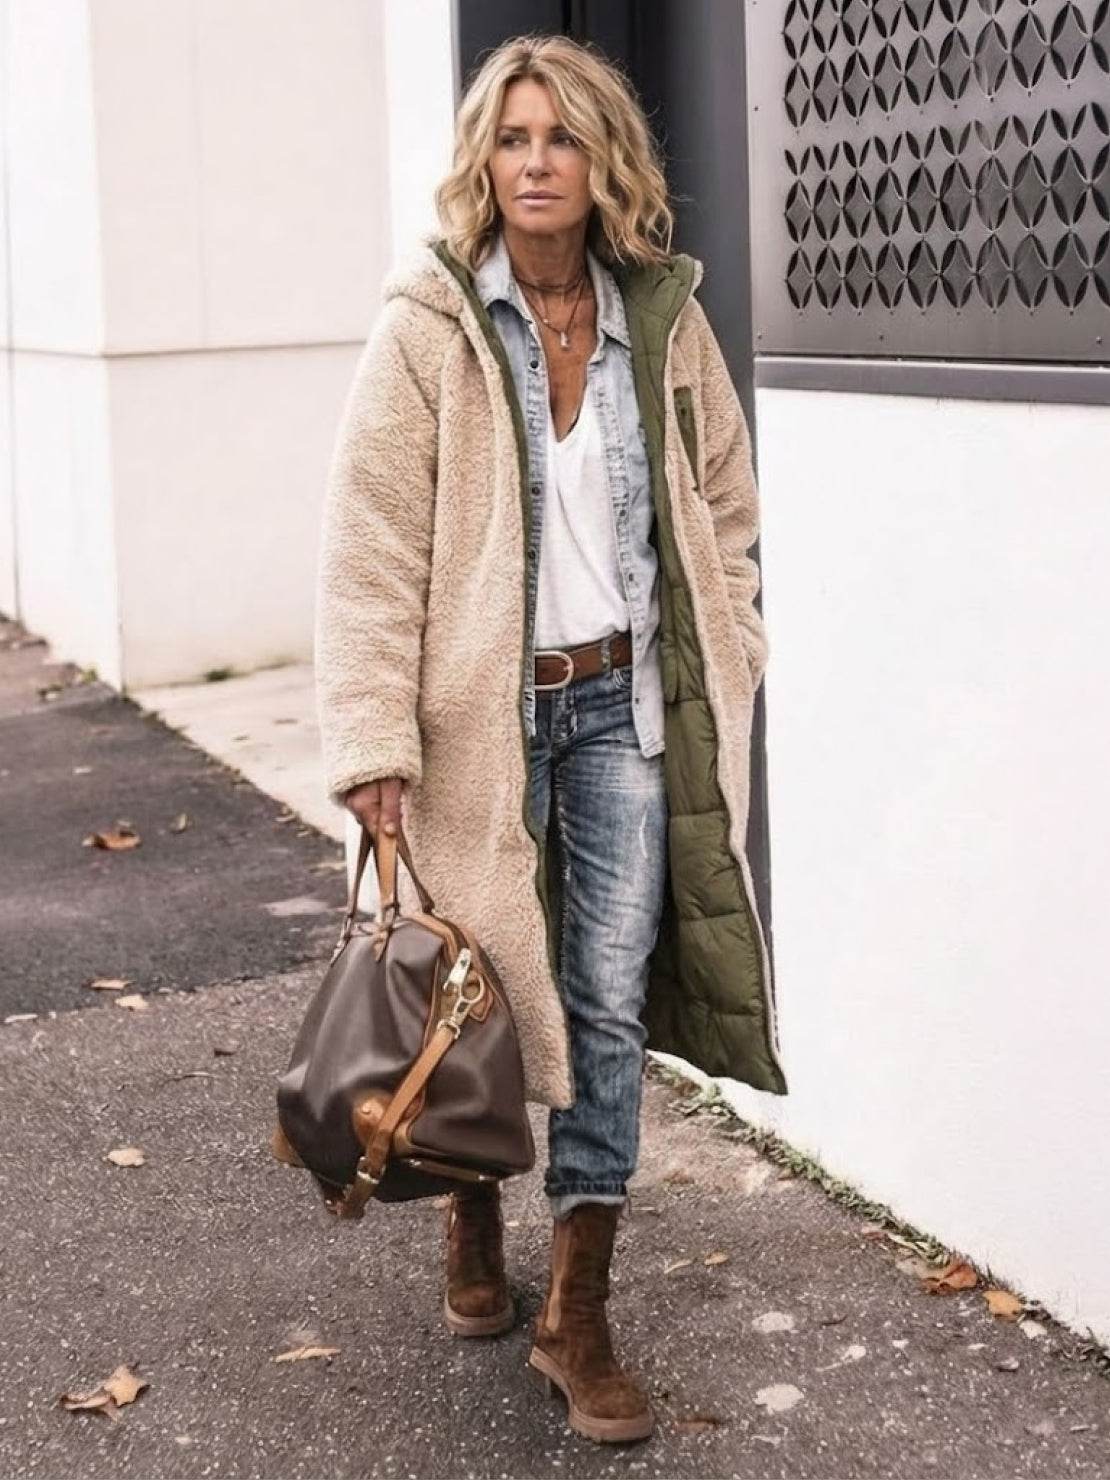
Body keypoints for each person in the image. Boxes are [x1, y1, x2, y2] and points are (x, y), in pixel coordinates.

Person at [314, 33, 786, 1446]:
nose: (534, 163)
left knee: (605, 1004)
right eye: (512, 138)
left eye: (559, 138)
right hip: (481, 720)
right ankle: (469, 1214)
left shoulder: (664, 319)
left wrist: (735, 639)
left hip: (622, 712)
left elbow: (726, 507)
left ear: (601, 160)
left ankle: (575, 1310)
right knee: (479, 988)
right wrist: (370, 738)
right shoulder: (429, 327)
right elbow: (370, 546)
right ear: (484, 161)